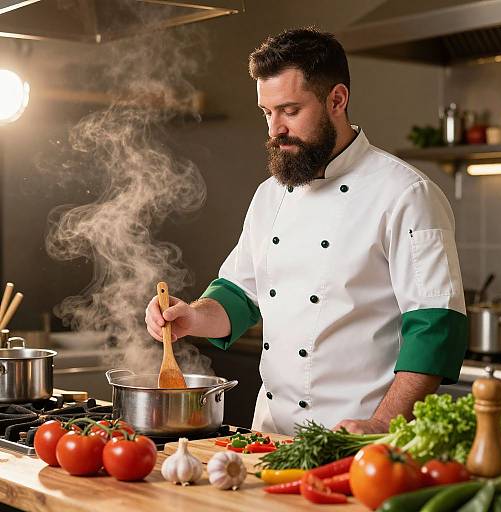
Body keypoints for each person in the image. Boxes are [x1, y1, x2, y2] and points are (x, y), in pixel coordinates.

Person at [145, 27, 467, 436]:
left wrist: (383, 423)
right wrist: (191, 316)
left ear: (337, 99)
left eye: (290, 110)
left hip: (357, 439)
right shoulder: (269, 195)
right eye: (267, 112)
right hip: (269, 435)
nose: (274, 128)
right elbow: (239, 296)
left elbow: (436, 326)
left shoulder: (406, 194)